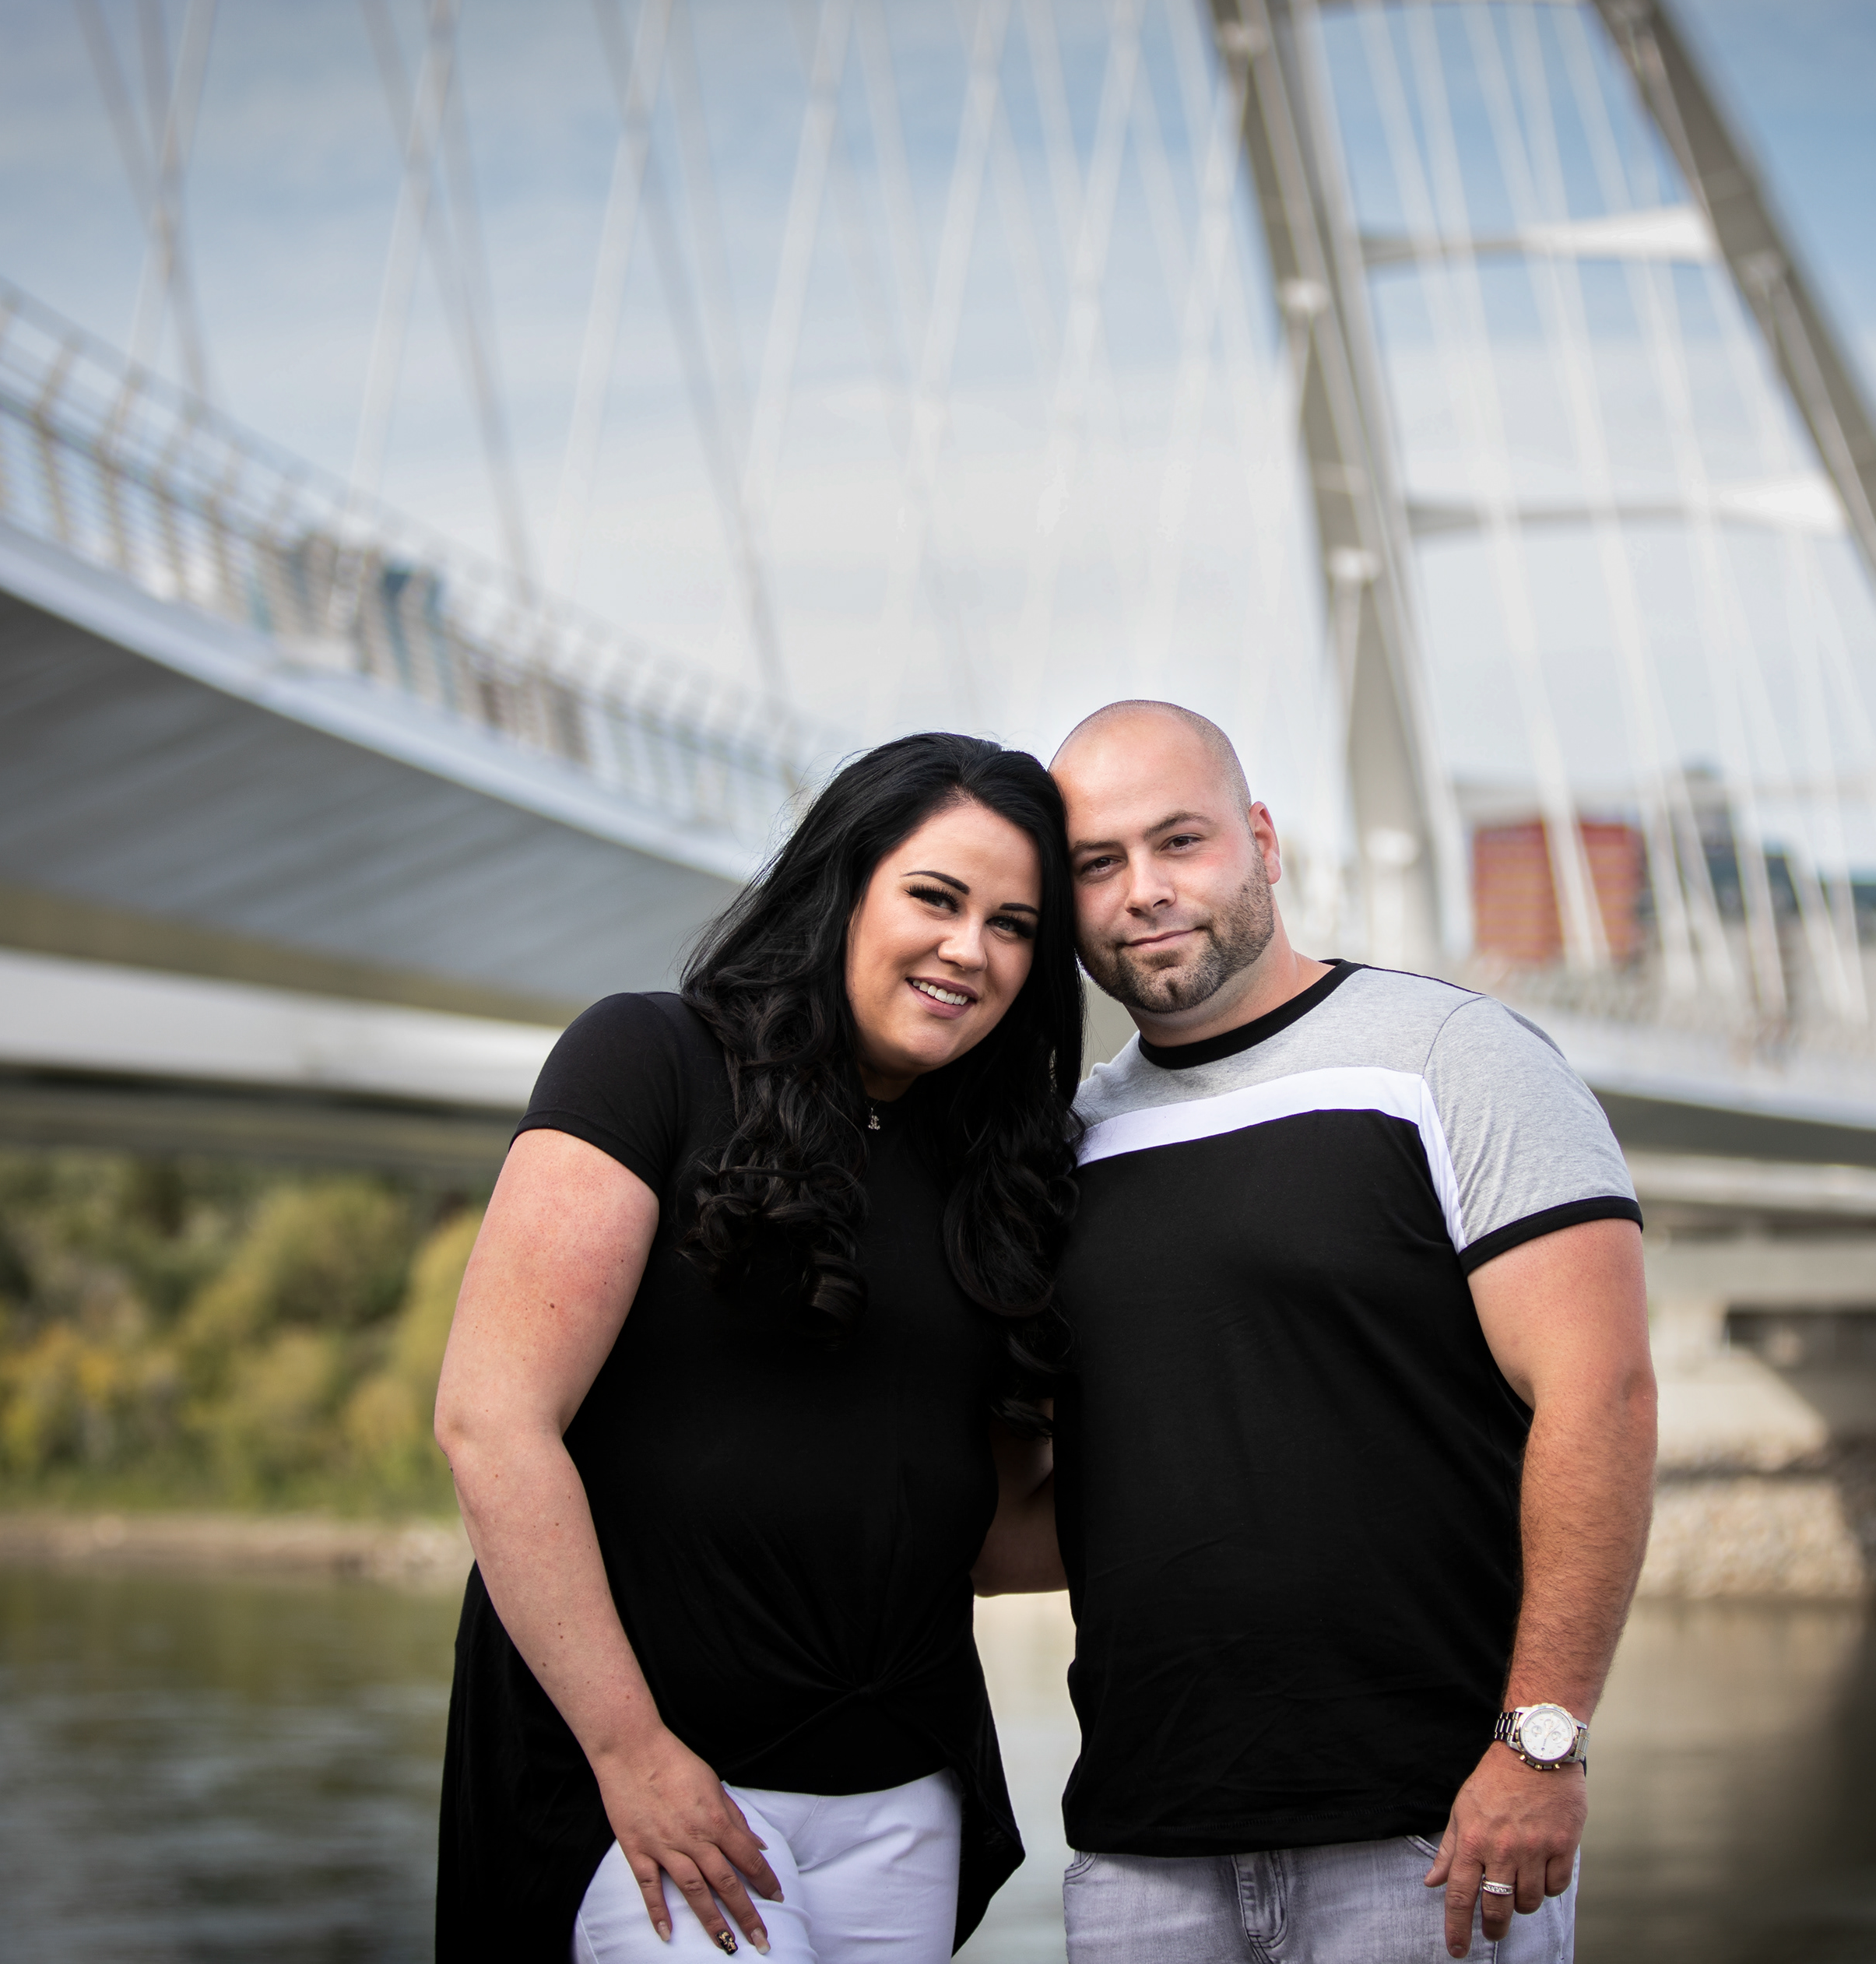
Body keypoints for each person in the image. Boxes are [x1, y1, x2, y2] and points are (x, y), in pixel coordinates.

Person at [431, 733, 1083, 1963]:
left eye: (1013, 925)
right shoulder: (649, 1062)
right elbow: (489, 1423)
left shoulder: (1006, 1178)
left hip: (902, 1800)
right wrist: (632, 1753)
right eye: (935, 898)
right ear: (844, 887)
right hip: (652, 1787)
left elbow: (988, 1529)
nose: (969, 949)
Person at [1024, 700, 1657, 1962]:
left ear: (1261, 840)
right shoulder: (1068, 1147)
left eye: (1180, 843)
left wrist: (1543, 1741)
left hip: (1427, 1840)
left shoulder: (1452, 1059)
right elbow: (1068, 1492)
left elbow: (1603, 1398)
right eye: (1098, 864)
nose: (1143, 892)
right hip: (1144, 1849)